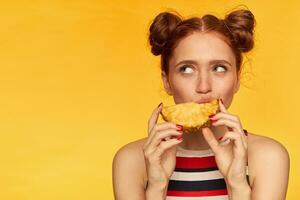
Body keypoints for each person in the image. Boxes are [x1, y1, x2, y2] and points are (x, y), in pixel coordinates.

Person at [113, 9, 290, 200]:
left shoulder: (268, 158)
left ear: (237, 79)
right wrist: (157, 187)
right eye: (187, 69)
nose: (204, 87)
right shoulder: (131, 161)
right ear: (167, 81)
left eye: (219, 68)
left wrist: (237, 185)